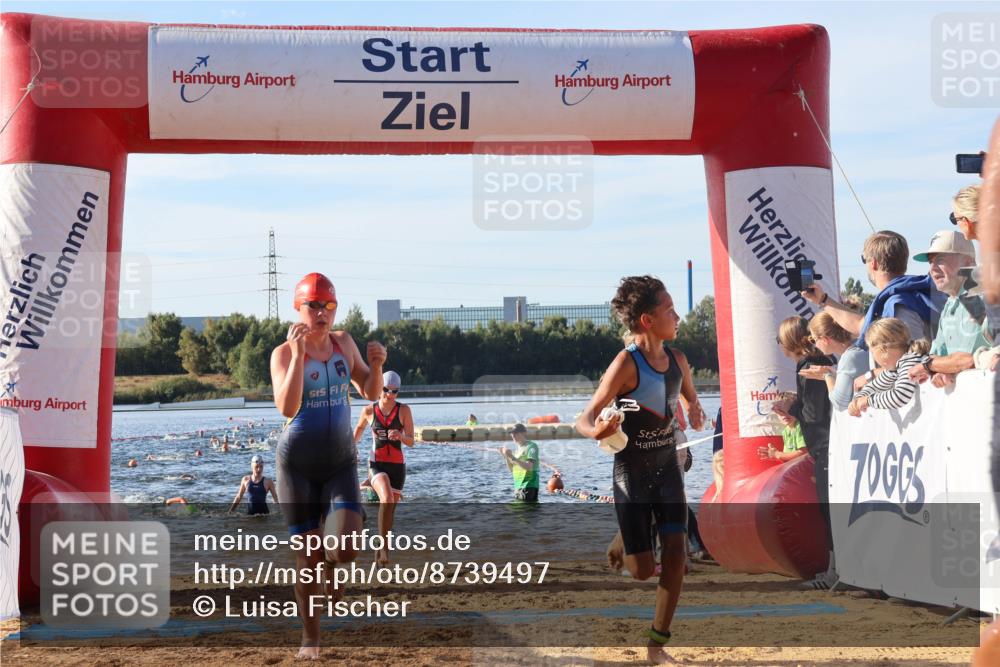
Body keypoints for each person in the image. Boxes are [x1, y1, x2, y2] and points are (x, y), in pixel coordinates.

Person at [575, 276, 705, 665]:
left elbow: (692, 401)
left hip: (668, 471)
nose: (678, 316)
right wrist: (596, 429)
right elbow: (585, 417)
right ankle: (623, 538)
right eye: (670, 310)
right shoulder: (626, 364)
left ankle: (657, 643)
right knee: (643, 571)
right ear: (648, 320)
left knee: (678, 553)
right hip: (631, 475)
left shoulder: (678, 360)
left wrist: (697, 413)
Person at [269, 272, 387, 659]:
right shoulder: (283, 354)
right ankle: (311, 638)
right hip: (297, 467)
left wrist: (375, 364)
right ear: (298, 307)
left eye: (328, 306)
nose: (321, 313)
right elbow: (286, 407)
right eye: (313, 305)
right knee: (306, 559)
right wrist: (300, 356)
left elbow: (369, 391)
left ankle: (333, 567)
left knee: (347, 549)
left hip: (339, 463)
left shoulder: (343, 343)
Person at [772, 316, 837, 590]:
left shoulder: (809, 365)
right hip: (832, 444)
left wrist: (792, 408)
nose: (779, 346)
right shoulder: (823, 361)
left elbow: (813, 412)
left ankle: (835, 572)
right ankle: (838, 570)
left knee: (829, 509)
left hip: (825, 446)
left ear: (790, 341)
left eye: (780, 340)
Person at [801, 230, 937, 352]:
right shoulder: (912, 294)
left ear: (873, 263)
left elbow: (913, 358)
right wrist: (822, 300)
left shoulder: (899, 305)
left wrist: (871, 375)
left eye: (864, 259)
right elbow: (861, 325)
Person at [906, 230, 989, 388]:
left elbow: (966, 360)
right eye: (930, 262)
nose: (932, 269)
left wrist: (930, 366)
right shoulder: (951, 303)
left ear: (967, 263)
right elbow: (937, 356)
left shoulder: (976, 296)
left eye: (940, 260)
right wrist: (939, 369)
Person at [352, 370, 415, 566]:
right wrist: (351, 449)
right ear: (380, 389)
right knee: (386, 498)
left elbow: (411, 441)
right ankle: (385, 549)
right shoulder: (369, 410)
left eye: (395, 391)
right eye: (387, 390)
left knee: (389, 512)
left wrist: (401, 436)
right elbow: (360, 429)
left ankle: (380, 551)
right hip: (376, 464)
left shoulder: (404, 410)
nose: (390, 395)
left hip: (398, 467)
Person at [849, 318, 931, 416]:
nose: (873, 357)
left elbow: (900, 396)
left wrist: (868, 401)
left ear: (883, 350)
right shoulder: (895, 368)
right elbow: (874, 386)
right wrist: (857, 400)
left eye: (872, 352)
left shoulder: (910, 361)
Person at [799, 312, 870, 411]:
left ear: (825, 339)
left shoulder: (849, 358)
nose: (815, 345)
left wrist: (827, 375)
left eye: (813, 340)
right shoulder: (858, 349)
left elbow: (839, 403)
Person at [500, 423, 539, 502]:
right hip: (518, 487)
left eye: (516, 433)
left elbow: (529, 466)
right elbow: (512, 470)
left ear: (524, 433)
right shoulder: (517, 451)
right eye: (512, 433)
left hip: (529, 486)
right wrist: (506, 457)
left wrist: (512, 457)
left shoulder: (531, 446)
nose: (513, 435)